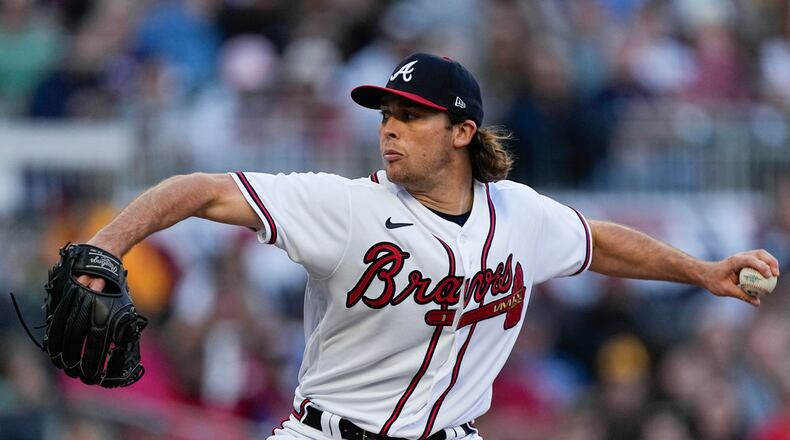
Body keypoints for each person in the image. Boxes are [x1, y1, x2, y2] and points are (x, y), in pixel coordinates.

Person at [76, 53, 779, 440]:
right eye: (386, 115)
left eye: (411, 116)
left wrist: (704, 272)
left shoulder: (520, 214)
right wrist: (106, 247)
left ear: (463, 132)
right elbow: (201, 189)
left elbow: (598, 244)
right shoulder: (348, 207)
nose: (390, 128)